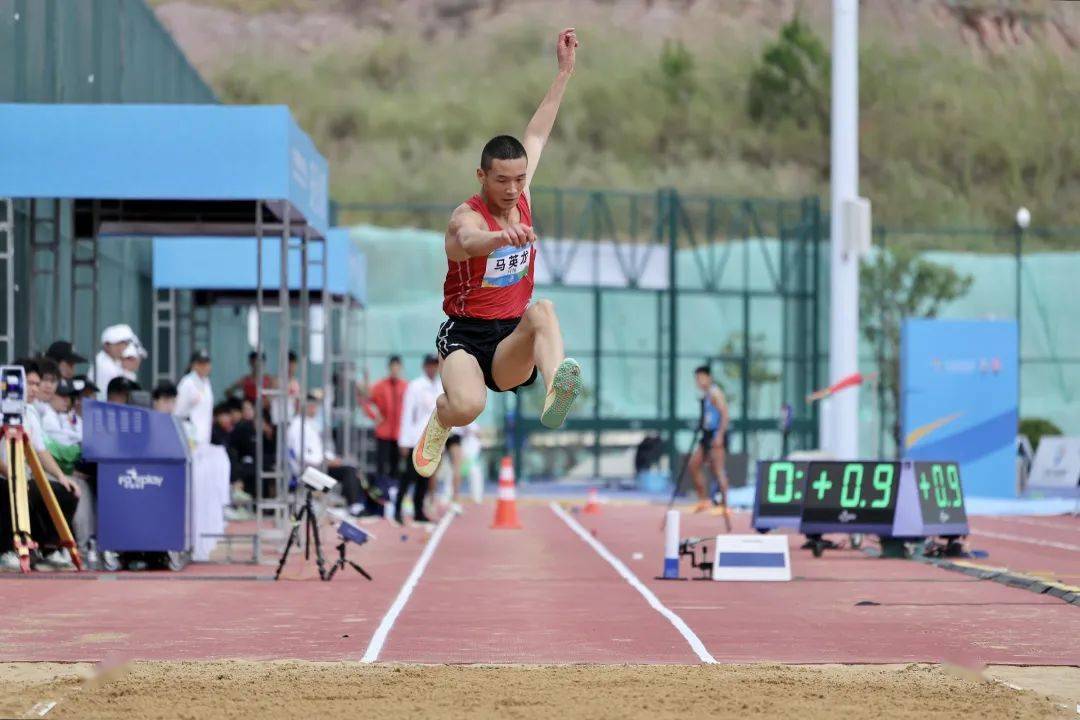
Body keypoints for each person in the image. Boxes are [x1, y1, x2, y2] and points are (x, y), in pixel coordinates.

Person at [412, 28, 584, 479]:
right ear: (481, 177)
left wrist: (564, 73)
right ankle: (441, 418)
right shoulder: (465, 217)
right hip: (466, 337)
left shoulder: (523, 191)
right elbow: (466, 241)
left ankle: (556, 392)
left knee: (543, 309)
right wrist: (498, 241)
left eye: (519, 179)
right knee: (469, 406)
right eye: (502, 181)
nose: (512, 189)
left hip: (511, 338)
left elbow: (539, 130)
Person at [0, 358, 80, 571]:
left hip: (24, 477)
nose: (34, 389)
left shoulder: (30, 412)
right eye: (30, 383)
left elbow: (40, 451)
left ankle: (49, 549)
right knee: (13, 492)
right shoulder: (2, 409)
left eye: (37, 384)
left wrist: (61, 476)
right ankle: (7, 550)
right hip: (5, 478)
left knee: (65, 492)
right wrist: (10, 473)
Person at [288, 391, 375, 517]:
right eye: (313, 406)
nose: (315, 409)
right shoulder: (297, 426)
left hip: (320, 466)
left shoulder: (310, 424)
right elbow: (300, 455)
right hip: (309, 473)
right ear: (305, 406)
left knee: (351, 468)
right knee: (349, 472)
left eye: (316, 406)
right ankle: (353, 506)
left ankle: (355, 504)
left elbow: (318, 449)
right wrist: (324, 461)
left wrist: (332, 459)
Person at [397, 355, 444, 524]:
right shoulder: (415, 386)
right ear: (424, 367)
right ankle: (397, 510)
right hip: (414, 437)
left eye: (435, 365)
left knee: (425, 475)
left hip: (431, 439)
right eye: (429, 365)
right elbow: (407, 413)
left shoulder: (441, 386)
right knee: (408, 476)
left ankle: (419, 511)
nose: (432, 368)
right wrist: (403, 440)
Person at [688, 365, 732, 531]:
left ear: (709, 378)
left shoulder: (715, 393)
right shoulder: (706, 395)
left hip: (715, 435)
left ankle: (725, 504)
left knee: (718, 469)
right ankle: (703, 499)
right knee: (694, 464)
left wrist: (720, 435)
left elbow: (725, 414)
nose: (698, 382)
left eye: (701, 378)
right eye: (697, 379)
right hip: (706, 434)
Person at [360, 355, 407, 500]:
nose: (395, 370)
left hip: (399, 433)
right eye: (392, 367)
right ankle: (380, 494)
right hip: (383, 432)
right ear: (389, 368)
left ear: (400, 368)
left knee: (396, 465)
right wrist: (375, 417)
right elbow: (366, 401)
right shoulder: (380, 386)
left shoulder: (405, 386)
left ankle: (393, 493)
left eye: (397, 367)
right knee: (381, 464)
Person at [175, 349, 214, 446]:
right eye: (201, 364)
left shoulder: (206, 382)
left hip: (205, 435)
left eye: (207, 363)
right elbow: (178, 411)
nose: (204, 367)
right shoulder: (187, 383)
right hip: (190, 435)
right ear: (193, 365)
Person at [92, 324, 134, 400]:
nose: (122, 347)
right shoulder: (102, 363)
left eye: (124, 344)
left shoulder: (117, 362)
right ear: (106, 346)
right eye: (118, 344)